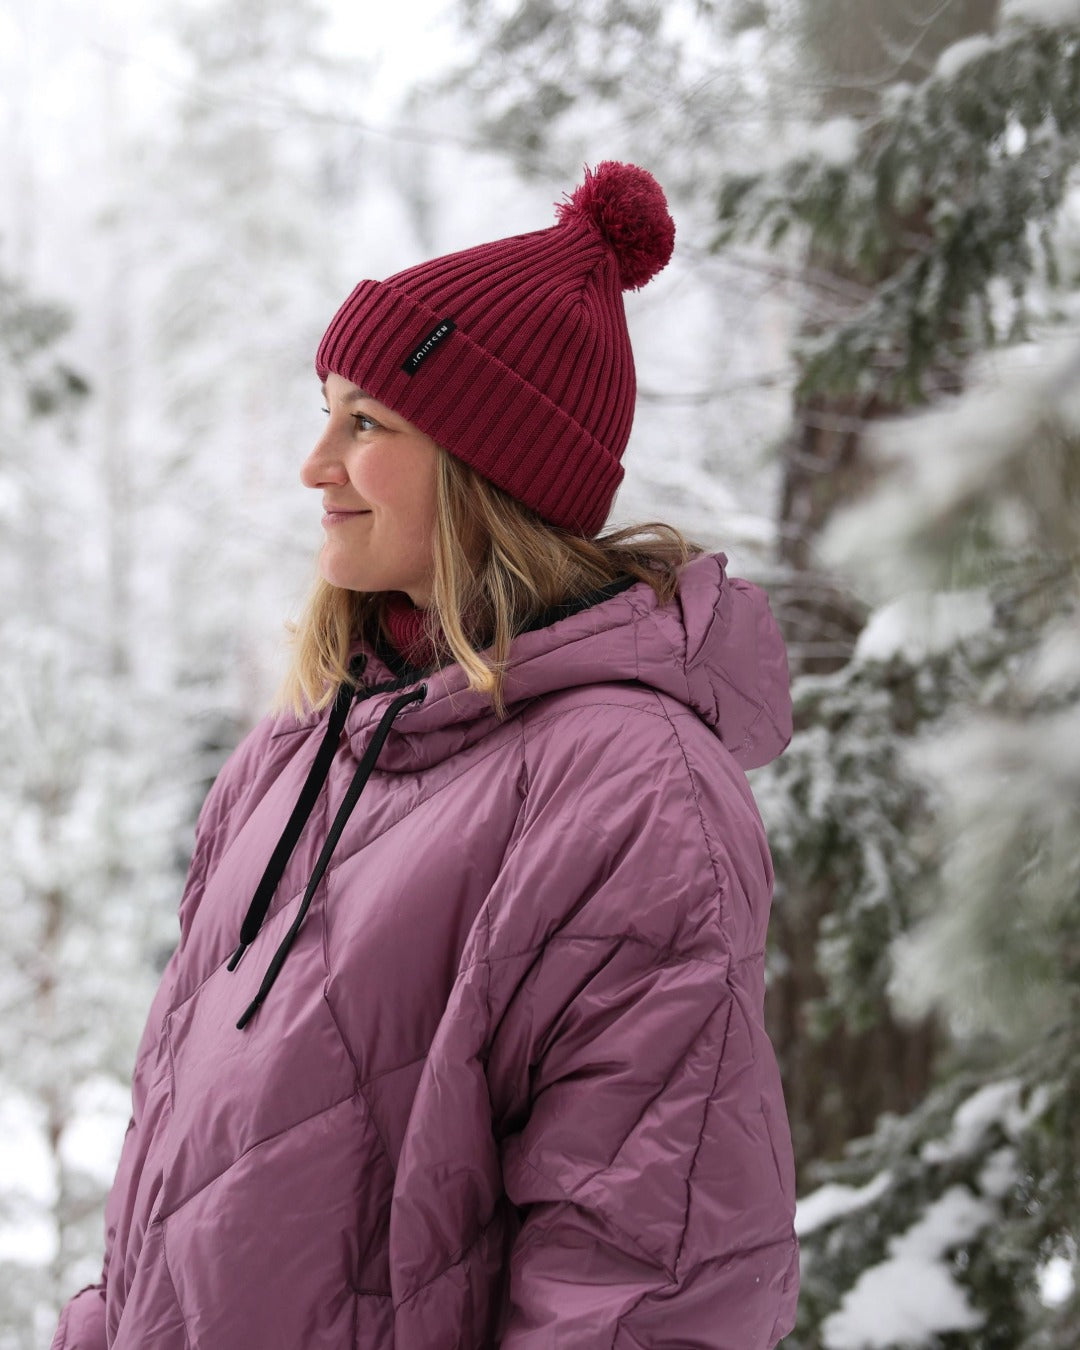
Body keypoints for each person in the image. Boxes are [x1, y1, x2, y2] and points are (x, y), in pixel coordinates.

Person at [52, 161, 799, 1349]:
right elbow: (184, 1174)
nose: (317, 465)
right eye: (325, 412)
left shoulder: (632, 790)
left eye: (367, 423)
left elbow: (649, 1281)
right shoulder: (295, 760)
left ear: (484, 467)